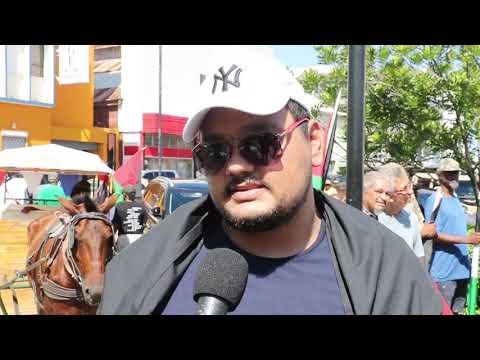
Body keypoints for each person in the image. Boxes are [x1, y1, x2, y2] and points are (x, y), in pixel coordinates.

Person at [98, 47, 442, 315]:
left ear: (316, 144)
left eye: (259, 144)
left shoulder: (389, 272)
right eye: (214, 152)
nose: (234, 166)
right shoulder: (139, 270)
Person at [424, 158, 480, 314]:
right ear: (440, 176)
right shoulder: (434, 200)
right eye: (449, 174)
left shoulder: (456, 199)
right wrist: (467, 239)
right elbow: (432, 234)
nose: (453, 176)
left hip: (462, 270)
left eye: (455, 173)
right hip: (443, 274)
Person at [377, 164, 425, 265]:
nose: (410, 192)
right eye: (405, 188)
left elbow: (419, 257)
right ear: (389, 194)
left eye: (410, 186)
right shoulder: (374, 219)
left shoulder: (411, 218)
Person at [111, 185, 149, 252]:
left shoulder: (119, 206)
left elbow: (115, 226)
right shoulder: (142, 207)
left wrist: (112, 241)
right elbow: (144, 225)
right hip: (138, 238)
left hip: (124, 238)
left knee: (123, 260)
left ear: (126, 195)